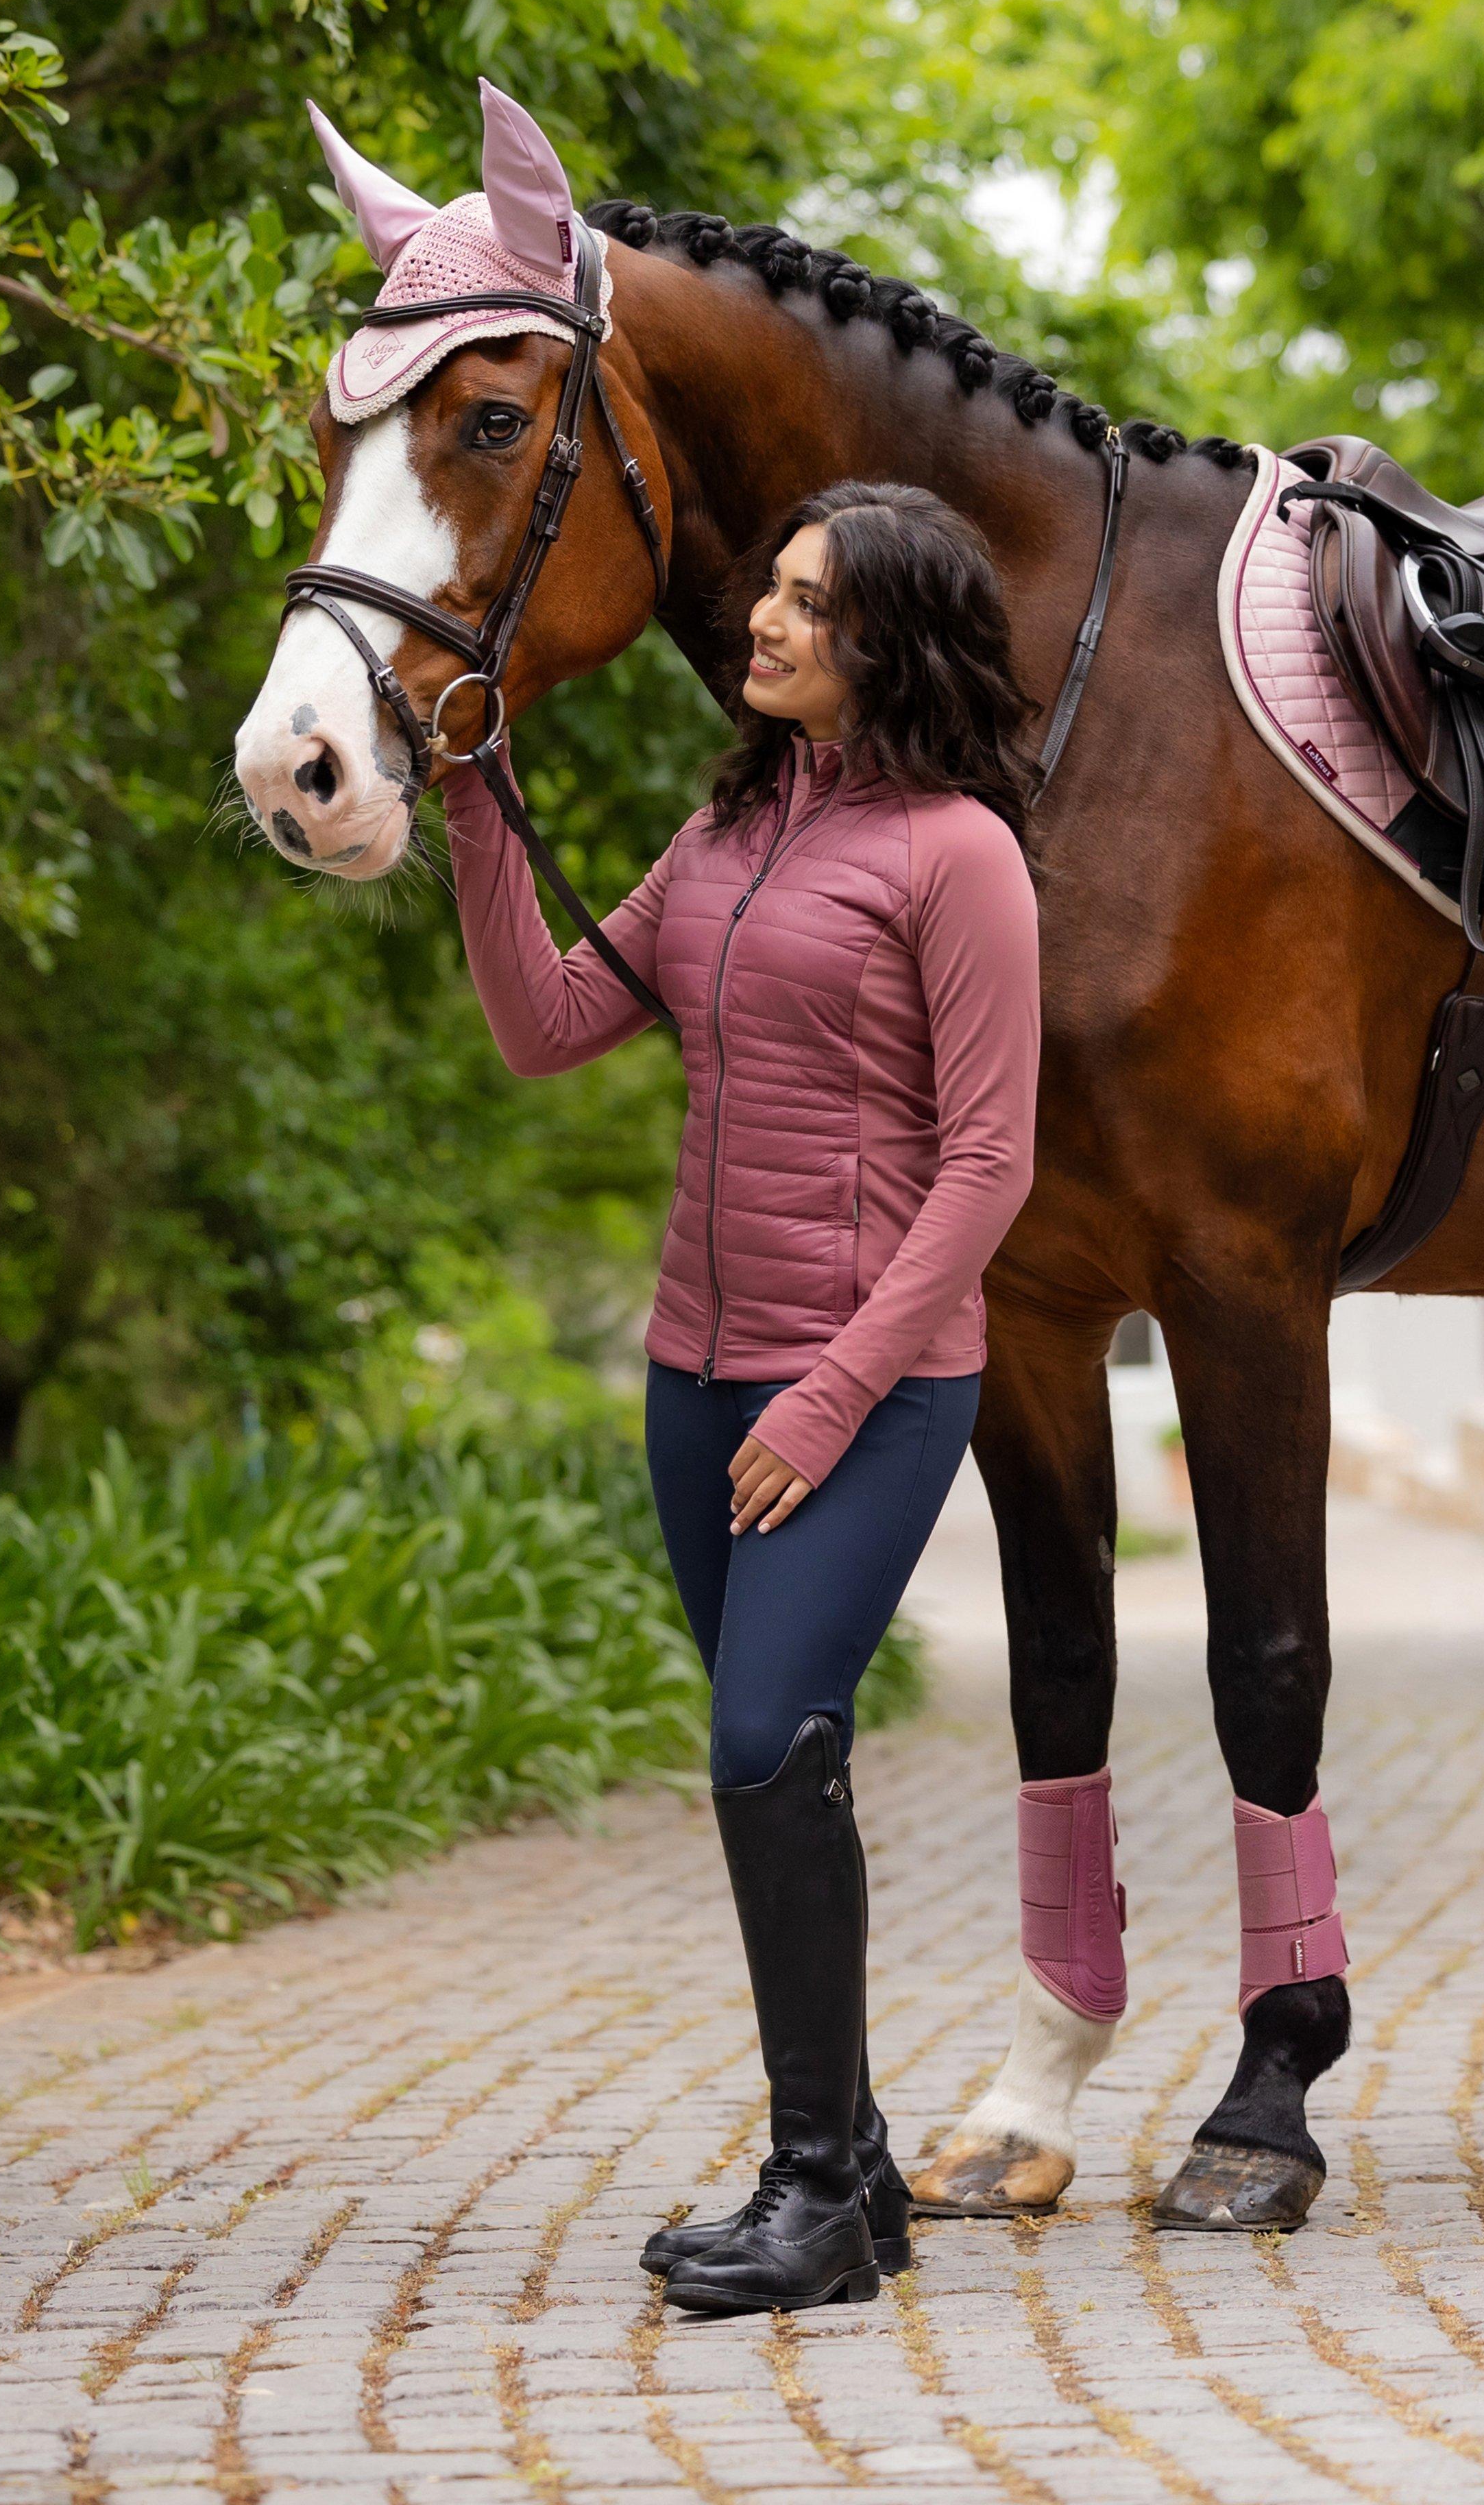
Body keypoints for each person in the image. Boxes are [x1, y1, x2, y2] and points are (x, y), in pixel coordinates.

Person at [446, 481, 1042, 2316]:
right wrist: (472, 793)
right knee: (776, 1771)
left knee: (762, 1741)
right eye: (770, 593)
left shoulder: (958, 854)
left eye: (805, 603)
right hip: (694, 1376)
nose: (761, 623)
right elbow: (545, 1023)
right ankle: (853, 2177)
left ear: (891, 643)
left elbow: (992, 1166)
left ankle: (809, 2189)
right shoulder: (726, 833)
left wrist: (830, 1394)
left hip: (864, 1390)